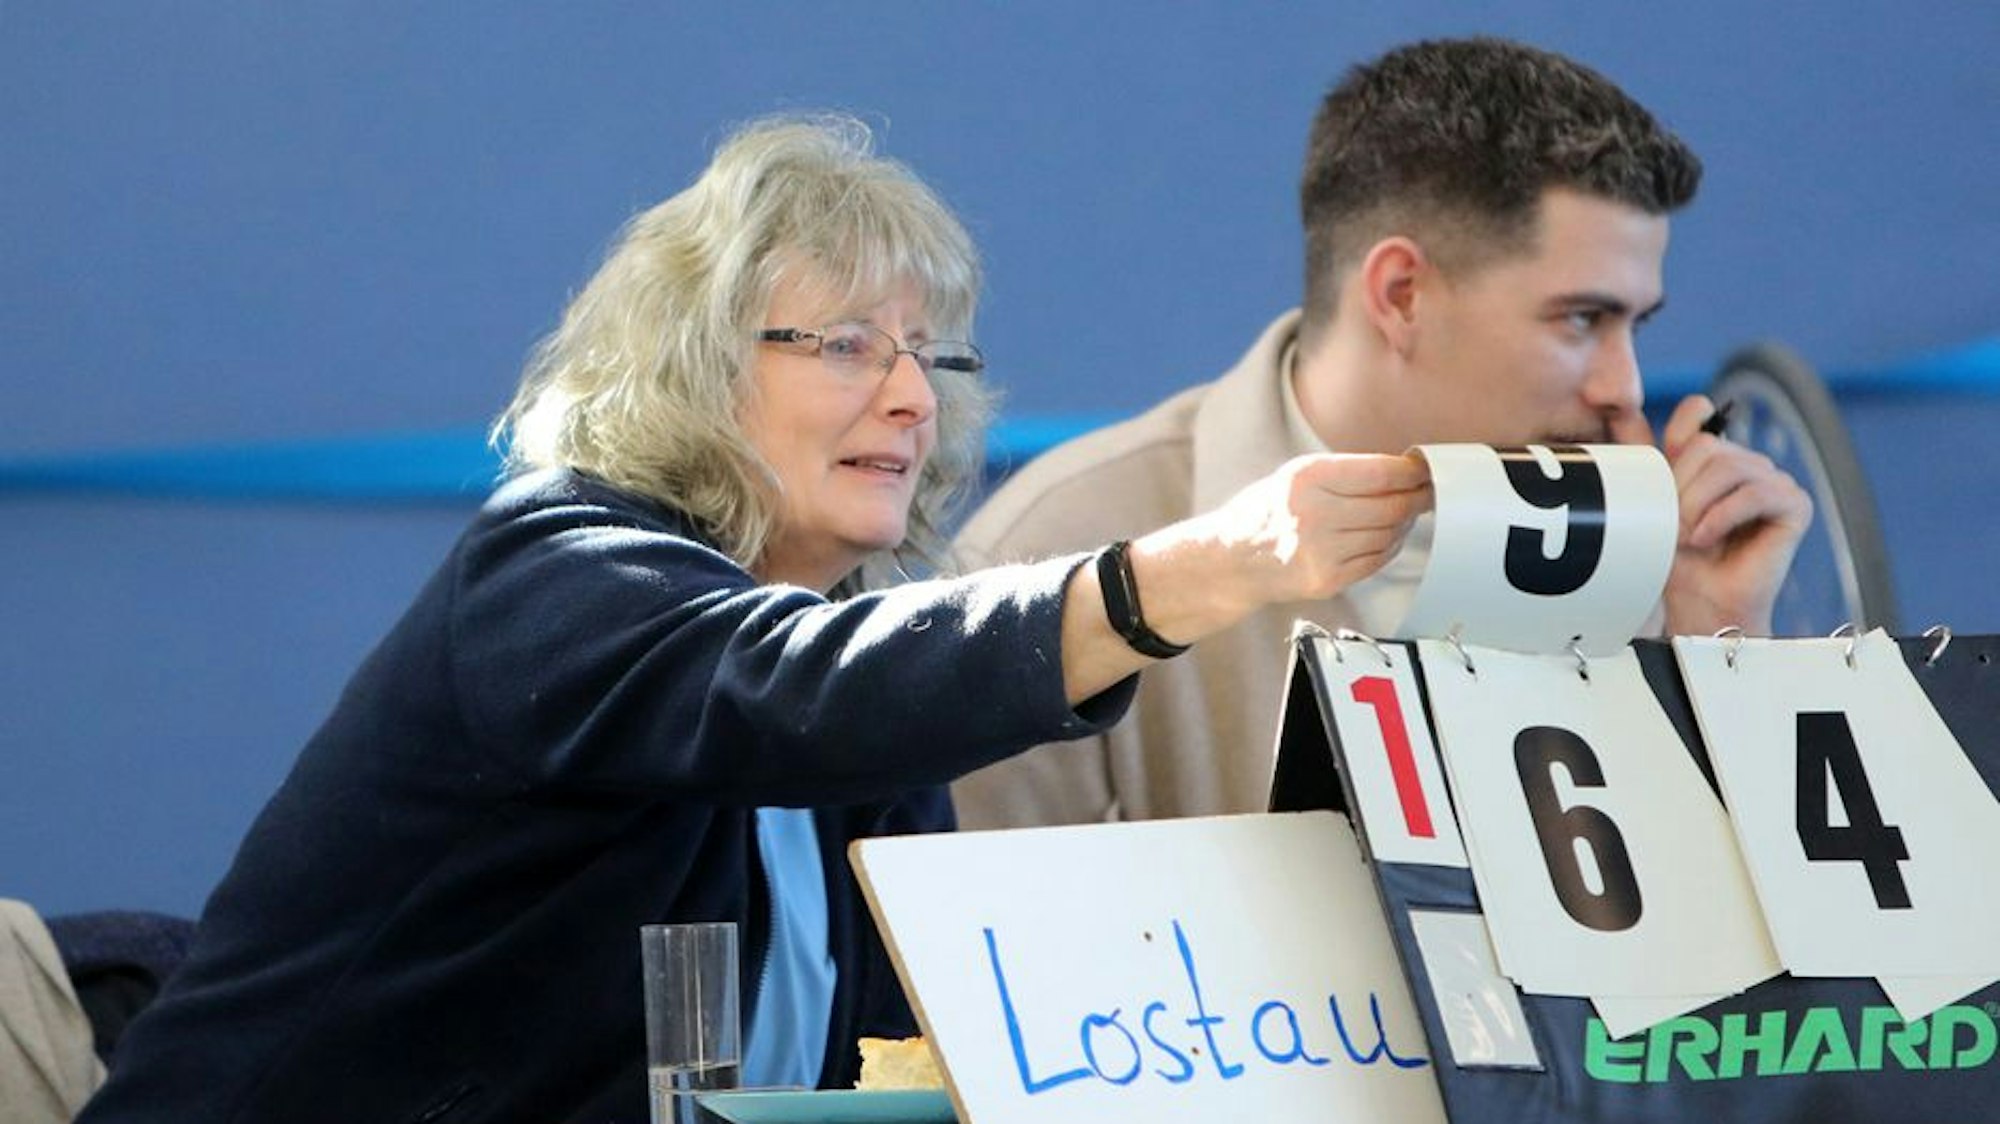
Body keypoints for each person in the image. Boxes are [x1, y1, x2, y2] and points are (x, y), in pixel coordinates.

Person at [75, 115, 1431, 1124]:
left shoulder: (859, 656)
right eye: (848, 344)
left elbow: (893, 1060)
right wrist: (1187, 576)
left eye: (930, 356)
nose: (912, 397)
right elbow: (790, 689)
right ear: (697, 369)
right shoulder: (556, 572)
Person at [952, 37, 1813, 830]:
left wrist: (1717, 649)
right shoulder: (1048, 562)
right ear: (1401, 294)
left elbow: (1770, 980)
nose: (1623, 386)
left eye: (1637, 325)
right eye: (1582, 320)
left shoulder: (1658, 566)